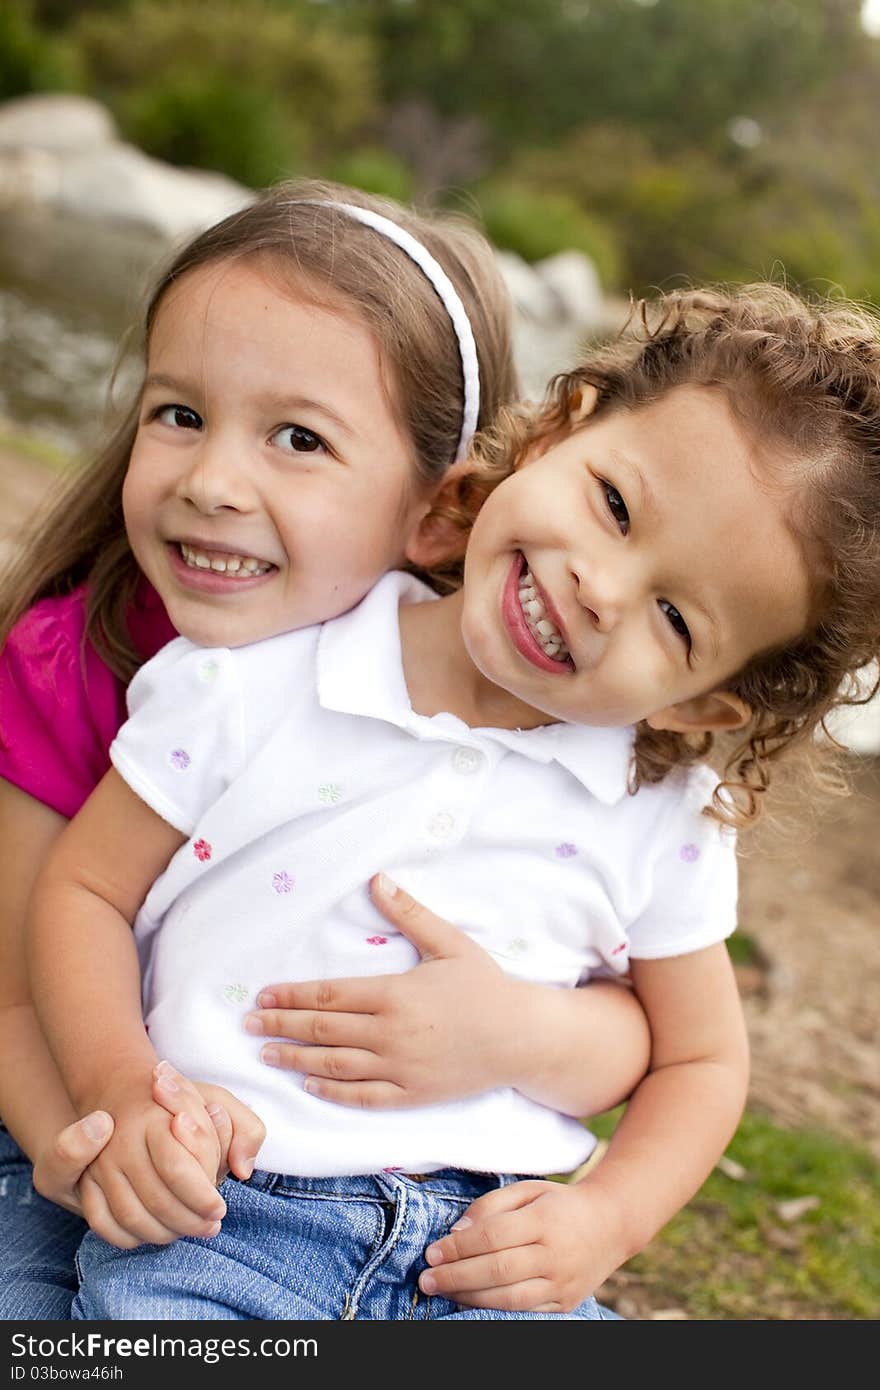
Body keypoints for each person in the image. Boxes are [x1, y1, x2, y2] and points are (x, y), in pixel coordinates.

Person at [28, 280, 880, 1321]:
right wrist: (122, 1087)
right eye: (613, 506)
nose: (599, 589)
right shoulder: (257, 678)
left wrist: (604, 1220)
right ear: (555, 438)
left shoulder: (660, 814)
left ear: (702, 702)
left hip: (483, 1260)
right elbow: (82, 890)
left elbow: (702, 1058)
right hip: (223, 1219)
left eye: (673, 615)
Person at [0, 182, 650, 1320]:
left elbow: (640, 1025)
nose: (211, 481)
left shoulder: (468, 691)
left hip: (364, 1194)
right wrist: (90, 1131)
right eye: (178, 413)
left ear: (439, 513)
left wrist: (519, 1031)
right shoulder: (72, 658)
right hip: (67, 1120)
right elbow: (12, 981)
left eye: (297, 438)